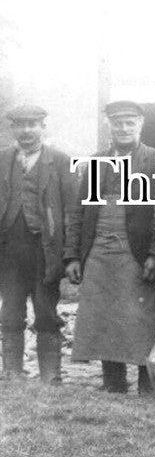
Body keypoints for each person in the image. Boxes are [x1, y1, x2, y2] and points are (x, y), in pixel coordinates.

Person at [65, 101, 155, 394]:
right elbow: (78, 213)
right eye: (117, 123)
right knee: (104, 317)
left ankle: (147, 386)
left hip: (135, 253)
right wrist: (73, 255)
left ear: (140, 125)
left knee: (140, 317)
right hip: (98, 251)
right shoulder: (96, 162)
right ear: (109, 126)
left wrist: (153, 253)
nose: (123, 129)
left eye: (129, 123)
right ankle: (113, 384)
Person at [0, 104, 77, 384]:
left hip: (45, 251)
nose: (27, 130)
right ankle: (11, 372)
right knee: (9, 311)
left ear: (43, 127)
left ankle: (50, 375)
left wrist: (70, 255)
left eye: (33, 124)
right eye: (21, 125)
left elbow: (72, 210)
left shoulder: (59, 160)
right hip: (8, 250)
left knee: (46, 310)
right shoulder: (3, 159)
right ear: (13, 129)